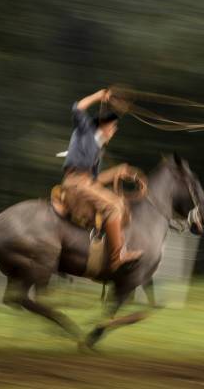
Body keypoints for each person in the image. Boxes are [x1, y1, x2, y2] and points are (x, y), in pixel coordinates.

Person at [61, 88, 142, 273]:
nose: (114, 131)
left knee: (121, 205)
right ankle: (116, 258)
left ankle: (112, 249)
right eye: (113, 127)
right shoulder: (86, 128)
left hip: (85, 182)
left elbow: (95, 180)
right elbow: (78, 107)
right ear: (105, 125)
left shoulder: (97, 151)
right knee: (113, 207)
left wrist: (117, 172)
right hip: (74, 182)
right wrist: (99, 96)